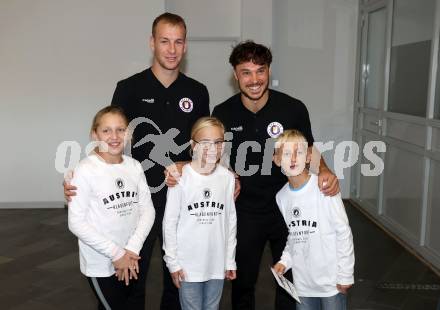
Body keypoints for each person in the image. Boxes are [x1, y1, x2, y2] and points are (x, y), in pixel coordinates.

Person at [65, 13, 210, 310]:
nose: (171, 49)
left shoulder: (197, 91)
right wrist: (79, 178)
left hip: (184, 196)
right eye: (164, 41)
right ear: (152, 43)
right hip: (138, 200)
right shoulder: (129, 88)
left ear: (185, 47)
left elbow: (203, 146)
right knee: (132, 273)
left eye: (178, 42)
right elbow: (110, 138)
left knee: (178, 274)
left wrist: (191, 165)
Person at [211, 40, 340, 310]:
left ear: (269, 71)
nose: (254, 79)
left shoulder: (293, 108)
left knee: (291, 278)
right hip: (244, 210)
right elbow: (219, 157)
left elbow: (310, 149)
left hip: (289, 206)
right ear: (235, 75)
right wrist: (228, 173)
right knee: (243, 281)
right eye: (246, 72)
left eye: (261, 70)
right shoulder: (222, 112)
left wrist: (326, 170)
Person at [68, 106, 156, 309]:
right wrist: (117, 255)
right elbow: (76, 223)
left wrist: (131, 249)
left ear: (129, 133)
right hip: (102, 263)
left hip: (132, 256)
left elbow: (148, 211)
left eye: (120, 129)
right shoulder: (86, 170)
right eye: (106, 130)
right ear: (94, 134)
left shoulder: (134, 166)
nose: (114, 136)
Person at [272, 129, 354, 310]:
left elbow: (343, 231)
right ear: (277, 160)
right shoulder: (281, 197)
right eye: (286, 153)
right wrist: (285, 261)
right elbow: (294, 235)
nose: (293, 159)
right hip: (303, 285)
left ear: (309, 157)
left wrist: (345, 274)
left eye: (298, 152)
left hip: (331, 283)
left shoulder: (324, 186)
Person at [162, 116, 237, 310]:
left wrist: (229, 259)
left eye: (218, 142)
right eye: (205, 143)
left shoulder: (227, 178)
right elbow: (170, 222)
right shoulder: (180, 177)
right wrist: (173, 262)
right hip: (188, 265)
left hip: (217, 263)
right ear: (193, 145)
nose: (212, 148)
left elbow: (230, 221)